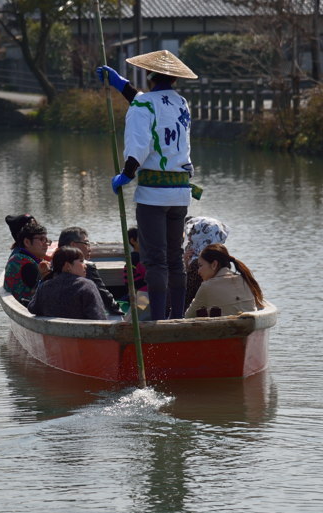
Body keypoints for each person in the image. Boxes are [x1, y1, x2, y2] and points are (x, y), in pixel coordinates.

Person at [97, 51, 200, 320]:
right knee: (174, 258)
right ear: (174, 79)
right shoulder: (181, 103)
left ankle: (158, 319)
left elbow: (139, 146)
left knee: (153, 260)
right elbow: (150, 107)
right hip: (180, 194)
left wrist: (126, 175)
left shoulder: (143, 106)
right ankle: (176, 315)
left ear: (149, 77)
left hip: (153, 196)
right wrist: (121, 85)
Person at [184, 243, 264, 318]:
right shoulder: (245, 279)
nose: (198, 271)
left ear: (214, 265)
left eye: (200, 266)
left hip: (226, 330)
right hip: (249, 328)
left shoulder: (207, 286)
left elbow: (188, 316)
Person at [27, 246, 108, 320]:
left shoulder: (45, 286)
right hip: (81, 335)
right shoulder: (87, 286)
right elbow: (99, 318)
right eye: (81, 261)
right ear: (68, 266)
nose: (85, 266)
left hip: (53, 334)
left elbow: (32, 308)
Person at [57, 226, 123, 315]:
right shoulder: (87, 266)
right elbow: (104, 296)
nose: (89, 248)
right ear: (73, 245)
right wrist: (120, 313)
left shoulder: (51, 267)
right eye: (86, 243)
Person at [182, 216, 229, 309]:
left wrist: (185, 268)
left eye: (193, 234)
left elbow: (187, 296)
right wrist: (186, 265)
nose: (190, 238)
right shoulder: (223, 257)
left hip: (198, 311)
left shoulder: (198, 264)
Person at [3, 217, 51, 304]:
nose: (46, 244)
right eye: (41, 239)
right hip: (28, 307)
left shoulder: (20, 256)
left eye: (46, 240)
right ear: (27, 242)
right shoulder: (28, 265)